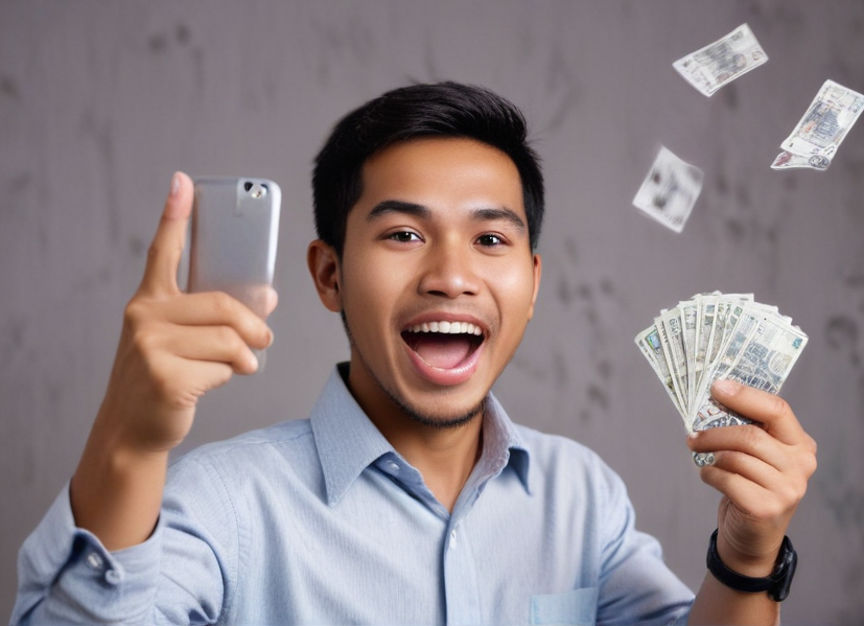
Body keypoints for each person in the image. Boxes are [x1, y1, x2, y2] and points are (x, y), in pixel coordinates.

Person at [11, 82, 816, 625]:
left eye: (490, 238)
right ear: (329, 274)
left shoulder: (584, 500)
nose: (452, 275)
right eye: (403, 234)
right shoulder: (220, 507)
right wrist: (128, 440)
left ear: (531, 285)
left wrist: (748, 555)